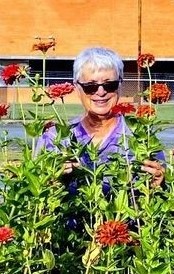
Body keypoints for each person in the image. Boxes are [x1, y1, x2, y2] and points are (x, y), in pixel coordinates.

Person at [38, 47, 166, 193]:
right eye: (90, 86)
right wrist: (54, 181)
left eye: (109, 85)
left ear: (120, 85)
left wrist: (160, 184)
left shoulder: (142, 136)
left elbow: (164, 198)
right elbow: (35, 196)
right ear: (77, 88)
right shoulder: (56, 137)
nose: (101, 92)